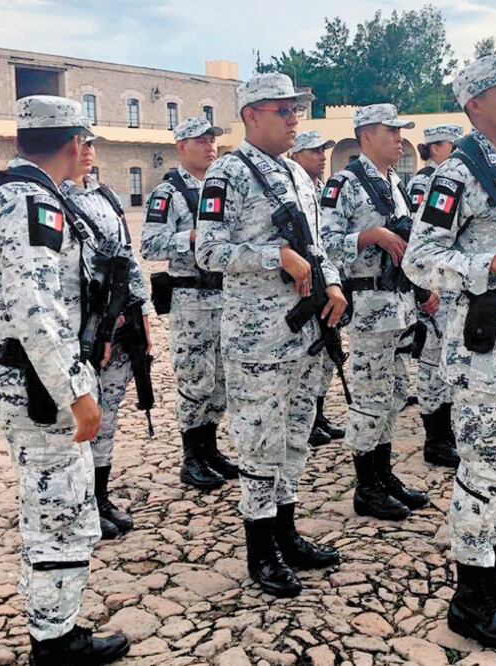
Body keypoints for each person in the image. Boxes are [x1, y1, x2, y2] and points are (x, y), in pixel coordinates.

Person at [402, 51, 496, 650]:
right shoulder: (457, 173)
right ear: (474, 104)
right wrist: (489, 262)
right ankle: (468, 599)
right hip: (483, 351)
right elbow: (420, 260)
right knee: (482, 473)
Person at [0, 94, 129, 665]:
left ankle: (54, 623)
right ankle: (55, 642)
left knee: (50, 511)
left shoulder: (14, 195)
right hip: (44, 392)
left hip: (31, 382)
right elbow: (36, 308)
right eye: (85, 141)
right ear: (71, 144)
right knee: (60, 517)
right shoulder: (32, 205)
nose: (88, 151)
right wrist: (78, 391)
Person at [196, 72, 346, 598]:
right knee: (260, 442)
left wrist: (334, 285)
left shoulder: (299, 177)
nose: (292, 119)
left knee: (294, 435)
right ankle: (261, 550)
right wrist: (271, 256)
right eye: (281, 110)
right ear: (250, 116)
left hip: (308, 332)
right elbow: (208, 252)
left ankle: (287, 531)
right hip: (259, 338)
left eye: (295, 110)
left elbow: (319, 243)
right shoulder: (226, 174)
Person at [320, 104, 429, 521]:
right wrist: (369, 236)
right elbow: (324, 243)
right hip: (369, 307)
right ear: (366, 137)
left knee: (395, 392)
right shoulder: (343, 184)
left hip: (399, 307)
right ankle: (367, 486)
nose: (399, 137)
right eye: (391, 130)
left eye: (401, 130)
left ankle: (384, 476)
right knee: (369, 398)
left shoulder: (394, 184)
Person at [61, 135, 152, 540]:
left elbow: (127, 258)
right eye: (78, 144)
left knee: (108, 414)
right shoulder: (54, 197)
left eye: (91, 143)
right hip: (85, 327)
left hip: (120, 319)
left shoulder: (107, 197)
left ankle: (99, 495)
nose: (86, 151)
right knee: (83, 413)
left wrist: (142, 312)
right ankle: (78, 500)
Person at [141, 117, 238, 492]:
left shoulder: (220, 189)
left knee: (220, 380)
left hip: (225, 297)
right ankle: (191, 457)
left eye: (213, 139)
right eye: (201, 140)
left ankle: (210, 449)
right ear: (181, 146)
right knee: (195, 379)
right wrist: (192, 236)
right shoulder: (169, 193)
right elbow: (150, 245)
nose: (210, 146)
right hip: (191, 300)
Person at [407, 123, 465, 468]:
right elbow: (420, 239)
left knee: (445, 361)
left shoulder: (451, 178)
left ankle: (445, 431)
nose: (455, 150)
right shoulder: (423, 182)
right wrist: (423, 286)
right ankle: (435, 438)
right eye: (449, 144)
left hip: (449, 286)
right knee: (431, 363)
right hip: (432, 285)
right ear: (434, 147)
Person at [289, 129, 345, 447]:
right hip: (302, 284)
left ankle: (317, 415)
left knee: (325, 352)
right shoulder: (291, 189)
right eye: (315, 151)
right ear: (296, 155)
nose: (322, 157)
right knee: (307, 353)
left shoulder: (321, 189)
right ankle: (305, 421)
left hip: (326, 278)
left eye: (324, 151)